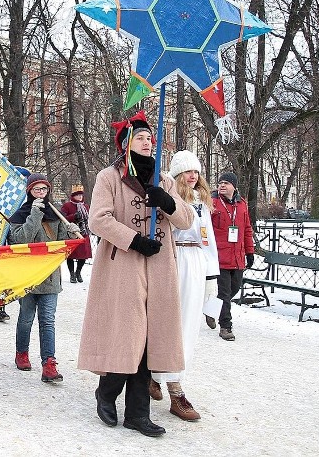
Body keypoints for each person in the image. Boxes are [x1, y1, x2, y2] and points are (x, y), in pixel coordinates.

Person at [78, 111, 193, 437]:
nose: (148, 141)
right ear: (127, 142)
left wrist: (168, 202)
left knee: (149, 340)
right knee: (127, 335)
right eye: (141, 137)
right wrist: (134, 240)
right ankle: (107, 391)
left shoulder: (165, 180)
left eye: (150, 137)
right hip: (123, 266)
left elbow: (185, 221)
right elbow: (97, 220)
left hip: (159, 269)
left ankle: (138, 414)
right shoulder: (108, 177)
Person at [150, 150, 220, 421]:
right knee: (168, 322)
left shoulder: (203, 202)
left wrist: (212, 276)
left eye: (197, 171)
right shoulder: (171, 198)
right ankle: (164, 380)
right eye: (188, 171)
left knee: (189, 324)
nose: (193, 176)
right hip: (173, 258)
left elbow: (208, 238)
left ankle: (171, 379)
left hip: (196, 262)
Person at [8, 173, 80, 383]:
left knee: (47, 320)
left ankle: (49, 363)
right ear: (29, 192)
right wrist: (34, 216)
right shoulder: (21, 214)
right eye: (37, 190)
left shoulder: (55, 213)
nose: (41, 193)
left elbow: (60, 246)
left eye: (44, 190)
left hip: (50, 277)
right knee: (26, 319)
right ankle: (21, 352)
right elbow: (21, 239)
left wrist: (70, 233)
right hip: (29, 276)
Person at [211, 171, 255, 341]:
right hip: (219, 257)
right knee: (224, 293)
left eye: (226, 183)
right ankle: (226, 327)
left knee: (233, 289)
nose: (222, 185)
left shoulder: (242, 204)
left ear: (234, 186)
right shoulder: (212, 203)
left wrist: (250, 252)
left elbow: (247, 230)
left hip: (237, 258)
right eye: (220, 183)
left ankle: (211, 309)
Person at [60, 184, 92, 283]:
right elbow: (62, 218)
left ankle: (78, 272)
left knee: (83, 255)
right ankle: (72, 274)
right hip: (72, 234)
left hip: (83, 233)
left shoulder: (85, 206)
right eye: (77, 195)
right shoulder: (67, 206)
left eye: (81, 195)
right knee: (71, 255)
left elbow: (89, 218)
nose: (80, 197)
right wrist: (73, 216)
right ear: (73, 196)